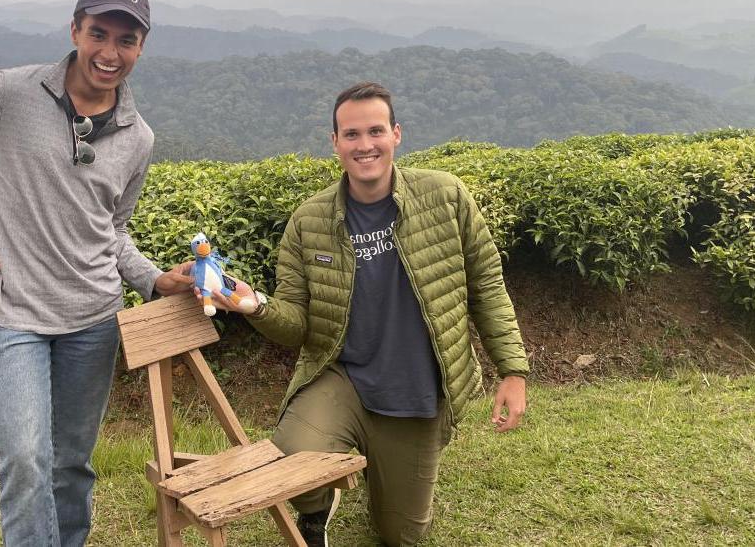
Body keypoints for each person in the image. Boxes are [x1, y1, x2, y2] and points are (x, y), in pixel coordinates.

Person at [0, 0, 193, 547]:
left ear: (141, 47)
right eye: (99, 33)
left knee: (72, 463)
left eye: (126, 40)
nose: (109, 52)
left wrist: (153, 279)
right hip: (11, 316)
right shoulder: (8, 94)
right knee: (27, 459)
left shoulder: (138, 137)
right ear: (75, 29)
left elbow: (112, 229)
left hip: (92, 320)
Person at [205, 81, 529, 547]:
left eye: (375, 131)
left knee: (402, 535)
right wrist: (253, 304)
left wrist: (513, 370)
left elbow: (487, 286)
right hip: (344, 379)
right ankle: (315, 511)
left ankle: (378, 475)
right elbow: (297, 325)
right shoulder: (309, 220)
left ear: (397, 134)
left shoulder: (446, 196)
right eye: (351, 134)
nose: (365, 145)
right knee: (293, 457)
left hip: (414, 394)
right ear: (334, 142)